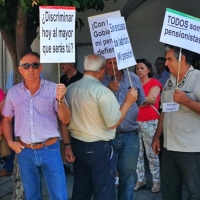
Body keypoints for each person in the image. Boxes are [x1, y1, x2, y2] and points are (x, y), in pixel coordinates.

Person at [66, 54, 138, 200]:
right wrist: (128, 102)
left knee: (81, 187)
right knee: (104, 189)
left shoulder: (70, 88)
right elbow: (113, 121)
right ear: (102, 70)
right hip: (98, 147)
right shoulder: (102, 91)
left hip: (78, 144)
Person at [2, 51, 71, 200]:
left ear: (40, 68)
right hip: (25, 150)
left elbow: (65, 120)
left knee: (59, 195)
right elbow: (6, 119)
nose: (31, 69)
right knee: (32, 195)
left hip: (50, 149)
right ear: (20, 70)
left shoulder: (54, 89)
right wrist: (10, 142)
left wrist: (60, 99)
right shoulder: (13, 93)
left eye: (34, 65)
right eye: (26, 66)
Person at [152, 45, 200, 200]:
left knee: (195, 192)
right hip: (169, 147)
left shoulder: (198, 78)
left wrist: (187, 101)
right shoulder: (169, 81)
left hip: (191, 149)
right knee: (170, 191)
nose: (166, 63)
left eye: (169, 59)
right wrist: (157, 136)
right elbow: (164, 111)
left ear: (183, 59)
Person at [102, 57, 146, 200]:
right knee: (107, 175)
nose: (113, 66)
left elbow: (140, 101)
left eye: (116, 62)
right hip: (108, 135)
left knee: (128, 175)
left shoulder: (132, 77)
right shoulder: (100, 80)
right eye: (109, 62)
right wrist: (107, 88)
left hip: (130, 135)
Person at [134, 59, 162, 193]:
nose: (139, 70)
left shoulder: (155, 83)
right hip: (135, 121)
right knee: (137, 153)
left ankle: (156, 181)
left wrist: (132, 103)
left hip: (150, 120)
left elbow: (151, 99)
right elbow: (145, 100)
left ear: (148, 70)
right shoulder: (134, 85)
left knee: (151, 153)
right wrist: (141, 101)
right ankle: (141, 180)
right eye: (137, 68)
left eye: (142, 68)